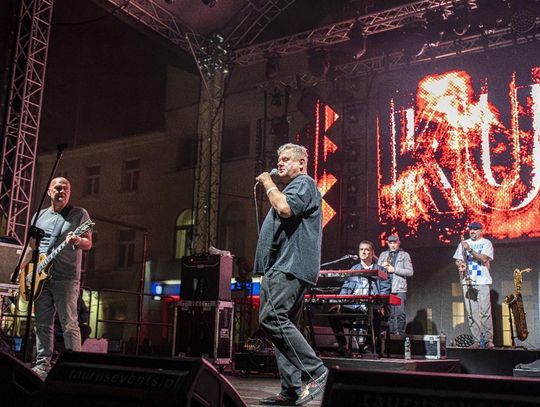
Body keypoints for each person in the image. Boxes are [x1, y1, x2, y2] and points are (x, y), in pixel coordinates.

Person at [254, 143, 328, 406]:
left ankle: (317, 372)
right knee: (285, 328)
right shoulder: (294, 187)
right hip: (285, 266)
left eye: (286, 159)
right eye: (279, 160)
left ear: (301, 163)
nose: (280, 163)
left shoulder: (303, 183)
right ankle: (291, 390)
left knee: (271, 318)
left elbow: (285, 208)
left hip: (289, 266)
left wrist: (267, 183)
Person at [20, 177, 92, 377]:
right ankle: (42, 365)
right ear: (49, 191)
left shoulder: (79, 214)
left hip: (65, 277)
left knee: (69, 323)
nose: (63, 192)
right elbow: (32, 247)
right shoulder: (39, 216)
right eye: (58, 188)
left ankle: (75, 367)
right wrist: (21, 271)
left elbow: (88, 243)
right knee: (42, 323)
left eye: (66, 189)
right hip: (39, 277)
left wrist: (77, 240)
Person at [328, 240, 390, 356]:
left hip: (371, 304)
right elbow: (346, 287)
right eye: (361, 249)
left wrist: (380, 304)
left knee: (376, 313)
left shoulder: (381, 270)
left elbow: (385, 290)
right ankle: (343, 345)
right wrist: (339, 302)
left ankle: (368, 346)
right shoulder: (354, 269)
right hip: (353, 304)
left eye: (366, 249)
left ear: (372, 252)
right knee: (332, 313)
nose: (363, 252)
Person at [453, 221, 494, 349]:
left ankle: (488, 340)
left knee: (485, 312)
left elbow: (484, 259)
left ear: (481, 231)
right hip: (467, 281)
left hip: (482, 281)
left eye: (475, 229)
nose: (472, 231)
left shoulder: (486, 243)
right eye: (470, 229)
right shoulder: (463, 243)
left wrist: (469, 249)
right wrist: (460, 264)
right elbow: (458, 260)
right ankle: (477, 340)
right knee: (472, 313)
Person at [377, 235, 413, 336]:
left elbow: (410, 272)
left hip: (399, 288)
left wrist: (394, 270)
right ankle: (391, 334)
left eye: (395, 243)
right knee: (389, 314)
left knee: (400, 313)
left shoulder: (404, 255)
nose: (393, 245)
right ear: (388, 243)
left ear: (398, 243)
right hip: (386, 287)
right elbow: (377, 271)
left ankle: (401, 335)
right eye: (391, 243)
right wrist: (382, 267)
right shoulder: (383, 255)